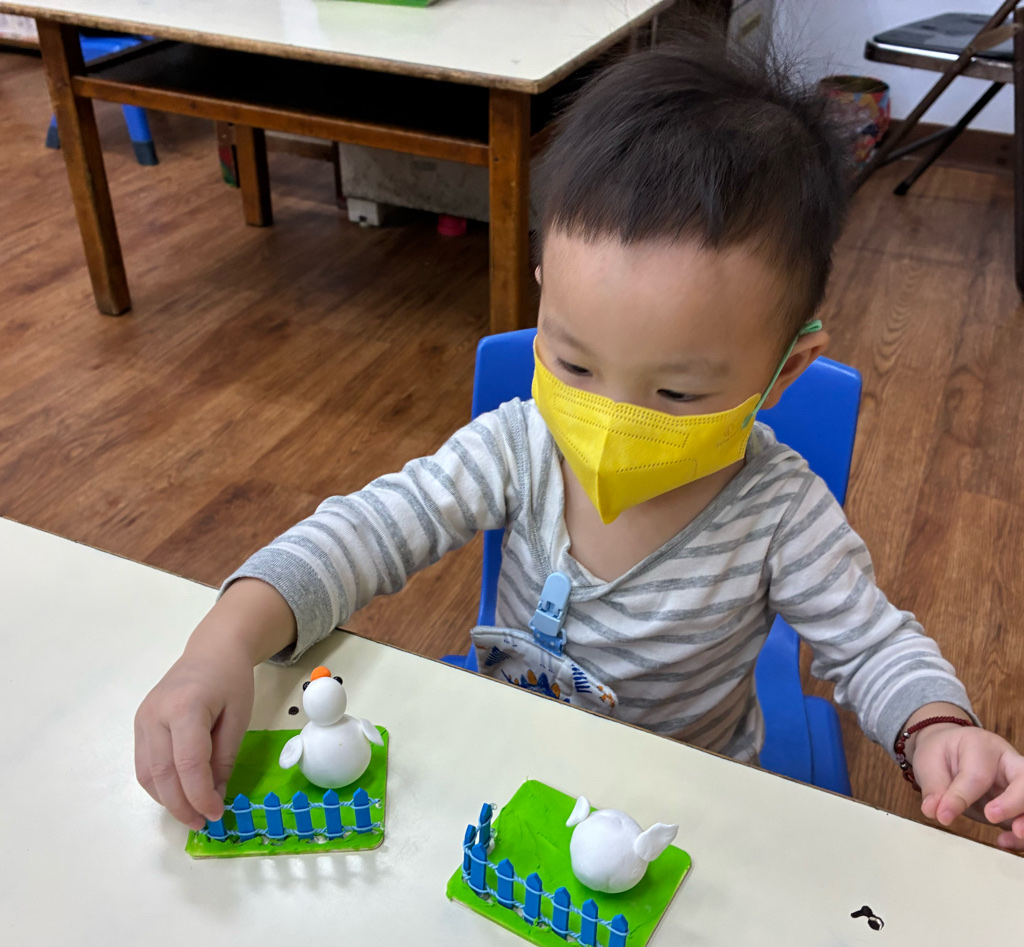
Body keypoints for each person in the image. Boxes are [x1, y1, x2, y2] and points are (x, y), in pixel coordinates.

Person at [135, 39, 1024, 849]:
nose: (609, 417)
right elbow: (364, 532)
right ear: (543, 299)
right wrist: (222, 643)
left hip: (676, 818)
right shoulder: (518, 445)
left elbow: (872, 646)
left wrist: (935, 728)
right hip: (510, 771)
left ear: (784, 372)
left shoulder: (782, 512)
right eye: (572, 361)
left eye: (675, 393)